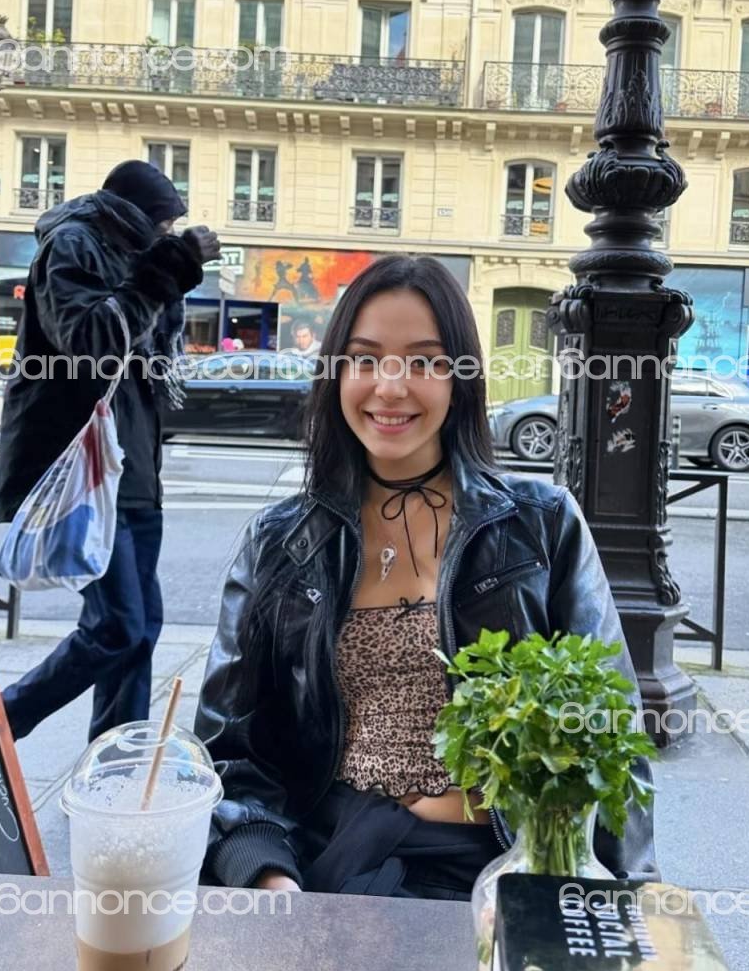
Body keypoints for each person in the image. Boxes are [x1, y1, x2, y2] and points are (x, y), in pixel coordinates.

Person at [194, 254, 657, 899]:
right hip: (329, 862)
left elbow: (611, 732)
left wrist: (626, 897)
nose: (390, 387)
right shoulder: (279, 543)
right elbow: (229, 752)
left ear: (460, 379)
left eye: (423, 362)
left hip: (507, 866)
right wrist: (270, 874)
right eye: (365, 359)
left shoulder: (542, 524)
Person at [0, 160, 221, 743]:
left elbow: (142, 365)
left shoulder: (135, 251)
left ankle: (115, 763)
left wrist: (166, 267)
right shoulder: (73, 243)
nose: (169, 234)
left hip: (133, 464)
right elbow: (91, 340)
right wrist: (170, 266)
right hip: (81, 465)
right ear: (136, 216)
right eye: (164, 225)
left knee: (141, 628)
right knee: (116, 625)